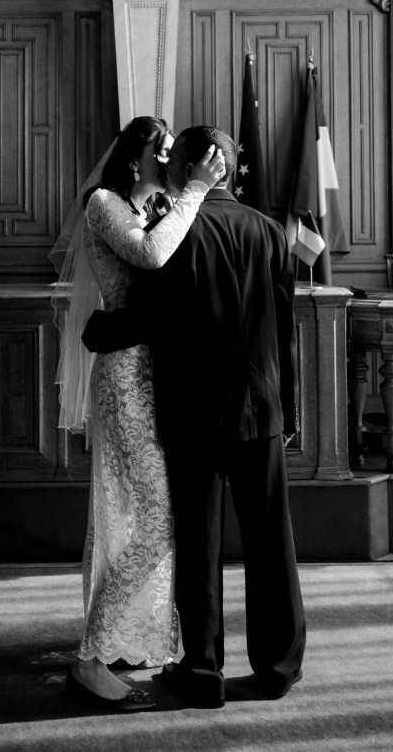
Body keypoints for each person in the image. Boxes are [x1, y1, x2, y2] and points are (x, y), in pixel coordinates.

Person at [83, 124, 306, 709]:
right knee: (271, 540)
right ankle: (279, 667)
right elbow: (286, 329)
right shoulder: (269, 231)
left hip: (193, 412)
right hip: (262, 410)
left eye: (172, 161)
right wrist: (290, 408)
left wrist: (97, 331)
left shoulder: (176, 232)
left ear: (189, 169)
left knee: (200, 541)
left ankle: (203, 670)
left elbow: (146, 315)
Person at [51, 115, 226, 713]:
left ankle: (132, 636)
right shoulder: (103, 204)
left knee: (146, 513)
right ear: (135, 157)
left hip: (164, 375)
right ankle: (91, 657)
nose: (172, 157)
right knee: (157, 517)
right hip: (125, 378)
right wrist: (196, 190)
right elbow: (150, 257)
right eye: (163, 149)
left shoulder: (155, 206)